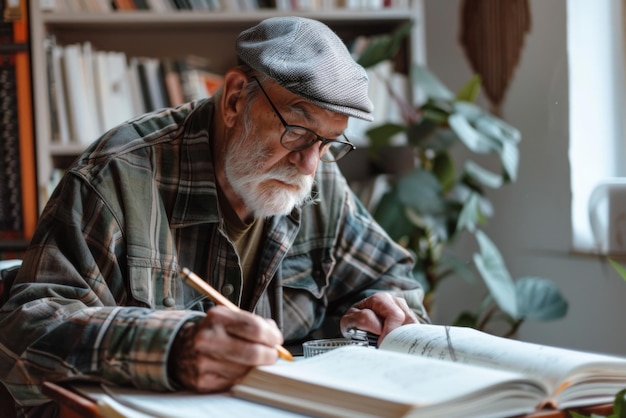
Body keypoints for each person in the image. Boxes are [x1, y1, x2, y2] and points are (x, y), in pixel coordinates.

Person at [0, 16, 428, 417]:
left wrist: (383, 312)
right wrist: (173, 348)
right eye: (296, 129)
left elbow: (389, 280)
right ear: (236, 97)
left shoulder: (319, 181)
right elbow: (24, 330)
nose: (309, 165)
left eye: (328, 142)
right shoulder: (118, 174)